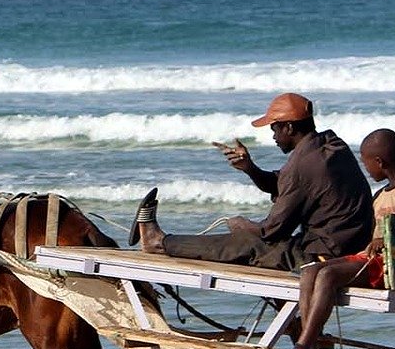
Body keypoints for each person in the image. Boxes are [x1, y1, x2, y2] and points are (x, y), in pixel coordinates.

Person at [257, 127, 395, 349]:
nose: (366, 170)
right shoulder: (379, 196)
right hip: (370, 260)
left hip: (393, 267)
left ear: (380, 162)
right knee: (309, 270)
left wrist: (387, 239)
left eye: (366, 163)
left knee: (328, 276)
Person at [134, 92, 373, 272]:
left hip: (324, 259)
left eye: (275, 129)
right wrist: (250, 168)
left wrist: (242, 225)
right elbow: (289, 184)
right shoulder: (332, 146)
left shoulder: (301, 164)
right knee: (258, 241)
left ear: (289, 127)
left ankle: (159, 242)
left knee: (245, 243)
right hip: (348, 247)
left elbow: (271, 231)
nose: (273, 136)